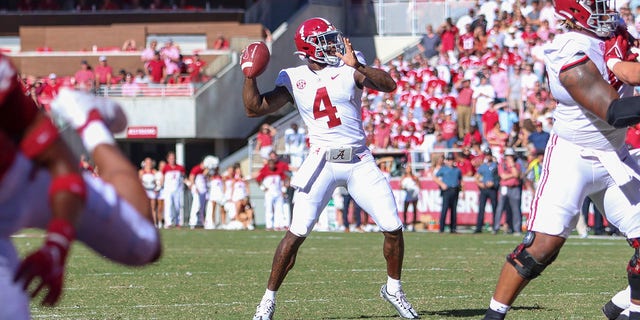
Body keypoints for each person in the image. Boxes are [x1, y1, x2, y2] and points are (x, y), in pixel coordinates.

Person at [244, 17, 418, 319]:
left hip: (358, 159)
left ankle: (393, 289)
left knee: (393, 227)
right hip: (323, 160)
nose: (333, 44)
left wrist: (357, 66)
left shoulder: (351, 65)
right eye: (325, 40)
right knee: (296, 233)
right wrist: (249, 76)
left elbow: (389, 85)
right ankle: (268, 299)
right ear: (310, 48)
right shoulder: (293, 76)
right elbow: (254, 108)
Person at [482, 0, 640, 318]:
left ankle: (627, 308)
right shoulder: (567, 49)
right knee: (540, 249)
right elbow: (616, 112)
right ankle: (493, 315)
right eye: (595, 4)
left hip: (615, 155)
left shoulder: (616, 32)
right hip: (573, 157)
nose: (604, 9)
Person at [0, 55, 161, 318]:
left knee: (143, 245)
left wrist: (57, 245)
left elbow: (61, 165)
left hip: (21, 182)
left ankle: (89, 120)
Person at [491, 147, 523, 235]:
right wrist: (512, 175)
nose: (509, 158)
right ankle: (496, 227)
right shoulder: (502, 164)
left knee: (516, 209)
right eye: (508, 156)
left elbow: (516, 174)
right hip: (504, 188)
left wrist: (512, 166)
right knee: (500, 208)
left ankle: (517, 229)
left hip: (514, 188)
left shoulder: (516, 165)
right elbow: (503, 176)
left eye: (511, 156)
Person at [255, 158, 289, 231]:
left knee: (279, 209)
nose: (271, 166)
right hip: (269, 193)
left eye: (272, 164)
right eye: (270, 164)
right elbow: (258, 179)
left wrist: (284, 189)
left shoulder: (279, 171)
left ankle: (278, 225)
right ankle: (269, 225)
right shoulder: (264, 172)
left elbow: (286, 179)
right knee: (269, 209)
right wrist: (263, 188)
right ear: (268, 165)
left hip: (278, 193)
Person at [432, 152, 462, 233]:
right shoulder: (443, 169)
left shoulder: (457, 170)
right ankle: (441, 228)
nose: (450, 161)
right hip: (447, 190)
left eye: (451, 159)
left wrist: (462, 191)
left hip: (455, 190)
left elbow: (461, 181)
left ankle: (453, 228)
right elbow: (434, 177)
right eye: (449, 160)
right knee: (444, 209)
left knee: (454, 210)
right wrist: (441, 184)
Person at [474, 148, 499, 233]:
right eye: (486, 155)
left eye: (489, 155)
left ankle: (495, 226)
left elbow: (498, 177)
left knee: (494, 208)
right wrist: (480, 184)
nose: (487, 157)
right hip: (484, 189)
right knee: (481, 208)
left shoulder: (495, 165)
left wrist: (493, 183)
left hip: (492, 189)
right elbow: (476, 177)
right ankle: (479, 227)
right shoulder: (483, 166)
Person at [160, 151, 185, 228]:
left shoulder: (180, 168)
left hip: (177, 190)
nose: (172, 160)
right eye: (170, 158)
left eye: (173, 158)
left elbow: (183, 178)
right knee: (168, 205)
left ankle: (178, 222)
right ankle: (168, 223)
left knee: (178, 206)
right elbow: (163, 178)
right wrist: (160, 186)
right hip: (168, 190)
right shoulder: (165, 168)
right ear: (168, 159)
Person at [187, 159, 208, 229]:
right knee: (196, 205)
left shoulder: (205, 170)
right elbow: (191, 177)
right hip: (196, 190)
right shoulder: (197, 168)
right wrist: (194, 187)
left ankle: (200, 222)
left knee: (201, 207)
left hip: (202, 191)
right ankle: (192, 221)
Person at [400, 163, 421, 232]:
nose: (408, 169)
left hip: (414, 195)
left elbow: (418, 185)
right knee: (405, 210)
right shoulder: (404, 177)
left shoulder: (414, 177)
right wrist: (405, 188)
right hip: (408, 195)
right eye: (407, 168)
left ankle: (413, 225)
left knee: (414, 210)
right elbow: (401, 186)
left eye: (409, 168)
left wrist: (416, 190)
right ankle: (405, 224)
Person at [139, 157, 158, 227]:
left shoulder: (154, 171)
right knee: (144, 207)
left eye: (150, 162)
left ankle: (155, 224)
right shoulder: (141, 172)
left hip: (152, 191)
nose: (148, 164)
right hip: (145, 191)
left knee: (153, 208)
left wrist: (156, 188)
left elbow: (157, 182)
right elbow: (139, 181)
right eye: (147, 162)